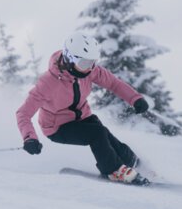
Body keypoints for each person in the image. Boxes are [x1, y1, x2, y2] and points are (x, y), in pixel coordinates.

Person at [16, 32, 151, 183]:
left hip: (82, 117)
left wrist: (135, 98)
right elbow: (23, 113)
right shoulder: (48, 82)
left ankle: (133, 162)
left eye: (93, 62)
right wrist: (30, 138)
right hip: (57, 127)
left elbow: (113, 83)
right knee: (97, 133)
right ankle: (113, 170)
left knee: (104, 134)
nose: (89, 68)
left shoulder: (89, 71)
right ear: (69, 58)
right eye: (85, 63)